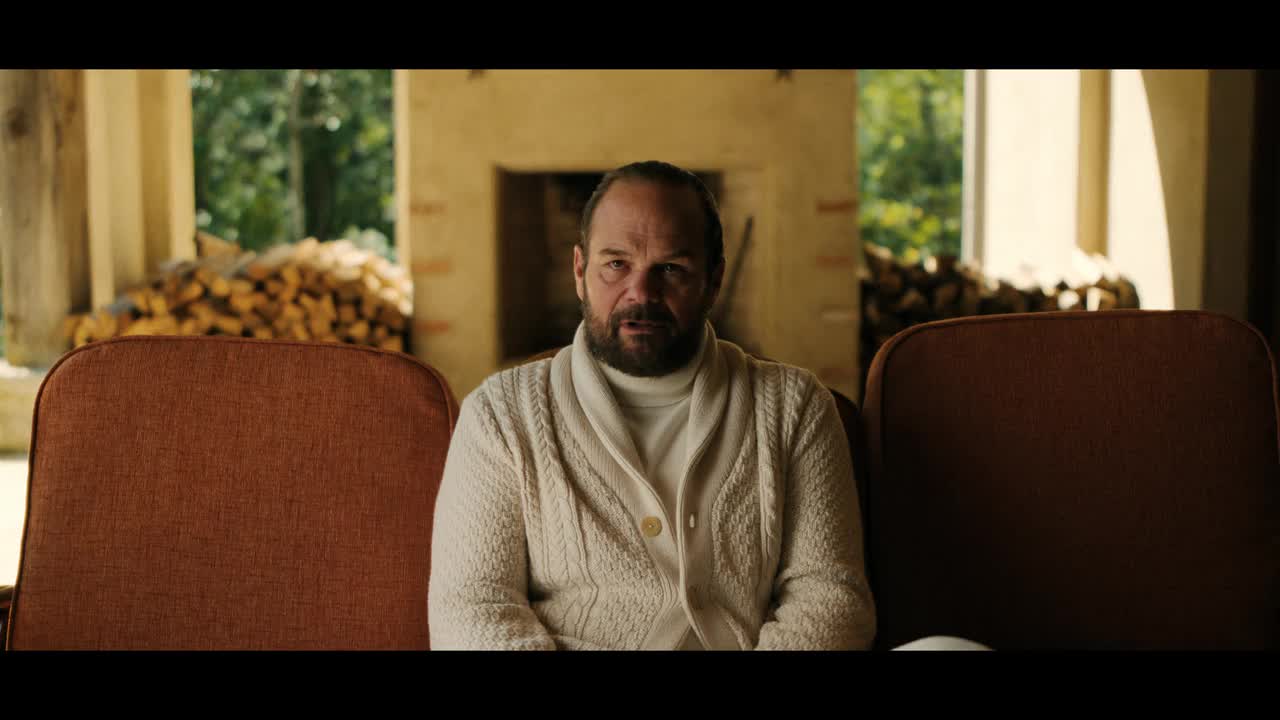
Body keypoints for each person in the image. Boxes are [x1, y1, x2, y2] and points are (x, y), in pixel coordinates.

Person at [430, 160, 891, 650]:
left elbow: (831, 598)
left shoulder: (795, 407)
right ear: (580, 271)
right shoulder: (499, 415)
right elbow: (471, 610)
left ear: (714, 280)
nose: (641, 293)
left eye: (670, 269)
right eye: (616, 264)